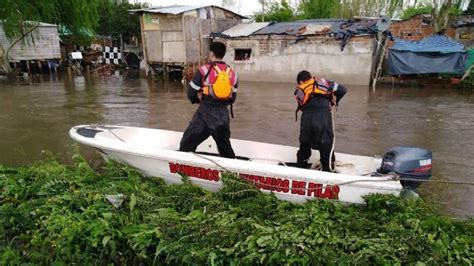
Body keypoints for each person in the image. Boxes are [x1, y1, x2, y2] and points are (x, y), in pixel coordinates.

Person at [179, 41, 238, 158]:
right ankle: (232, 171)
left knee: (187, 143)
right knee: (225, 148)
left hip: (205, 113)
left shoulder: (204, 70)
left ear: (211, 54)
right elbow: (233, 98)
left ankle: (184, 168)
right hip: (223, 115)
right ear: (223, 54)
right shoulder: (232, 73)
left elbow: (191, 93)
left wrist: (198, 100)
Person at [294, 70, 347, 172]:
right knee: (326, 144)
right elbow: (343, 90)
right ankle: (327, 171)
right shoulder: (325, 83)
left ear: (300, 81)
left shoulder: (300, 89)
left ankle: (300, 169)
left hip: (307, 118)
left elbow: (301, 105)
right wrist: (335, 101)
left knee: (305, 143)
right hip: (323, 116)